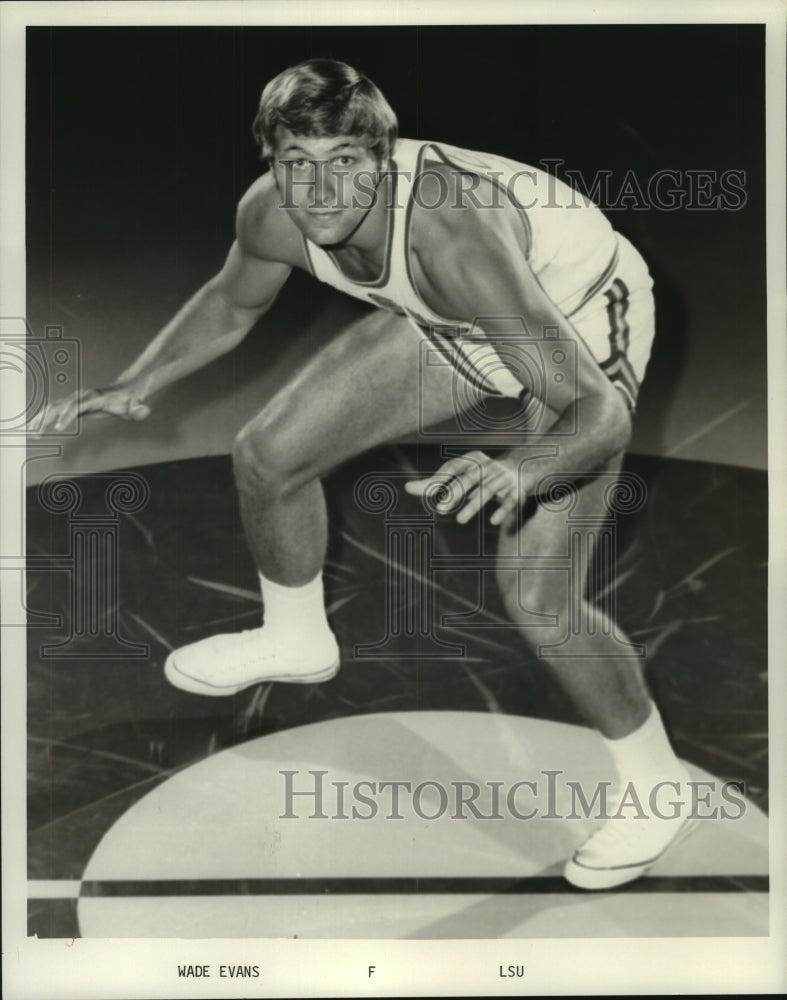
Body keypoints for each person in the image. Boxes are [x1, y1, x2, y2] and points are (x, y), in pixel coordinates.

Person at [38, 58, 695, 890]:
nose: (317, 191)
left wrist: (517, 470)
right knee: (269, 454)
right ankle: (295, 635)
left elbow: (598, 417)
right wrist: (138, 381)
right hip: (459, 320)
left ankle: (654, 786)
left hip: (567, 320)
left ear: (383, 163)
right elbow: (232, 302)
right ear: (269, 162)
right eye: (296, 164)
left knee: (536, 593)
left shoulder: (451, 237)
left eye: (343, 163)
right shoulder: (271, 212)